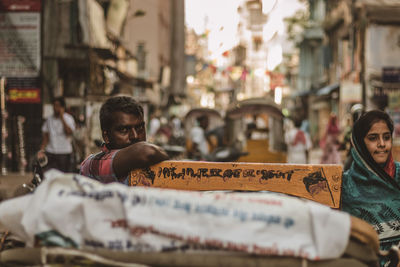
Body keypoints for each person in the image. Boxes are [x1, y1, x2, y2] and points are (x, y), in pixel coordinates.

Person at [341, 110, 400, 265]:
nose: (382, 144)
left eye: (386, 137)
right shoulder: (344, 186)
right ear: (359, 142)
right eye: (373, 138)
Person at [80, 96, 169, 184]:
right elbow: (146, 152)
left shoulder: (146, 162)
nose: (135, 136)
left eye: (140, 128)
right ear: (106, 136)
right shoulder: (91, 165)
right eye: (124, 130)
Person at [38, 97, 76, 172]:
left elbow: (69, 132)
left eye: (58, 106)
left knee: (63, 176)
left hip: (64, 152)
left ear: (62, 107)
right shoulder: (49, 119)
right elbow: (46, 137)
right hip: (51, 152)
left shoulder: (68, 118)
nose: (55, 108)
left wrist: (62, 118)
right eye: (54, 105)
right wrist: (41, 150)